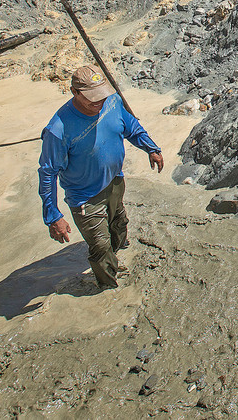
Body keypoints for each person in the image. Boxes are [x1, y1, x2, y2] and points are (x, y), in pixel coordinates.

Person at [38, 65, 163, 290]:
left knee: (119, 225)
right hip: (85, 196)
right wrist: (53, 215)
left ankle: (114, 261)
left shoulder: (111, 102)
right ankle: (107, 288)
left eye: (101, 95)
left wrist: (151, 148)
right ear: (74, 92)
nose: (99, 102)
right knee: (100, 244)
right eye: (92, 98)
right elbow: (48, 173)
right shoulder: (58, 129)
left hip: (115, 181)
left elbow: (131, 127)